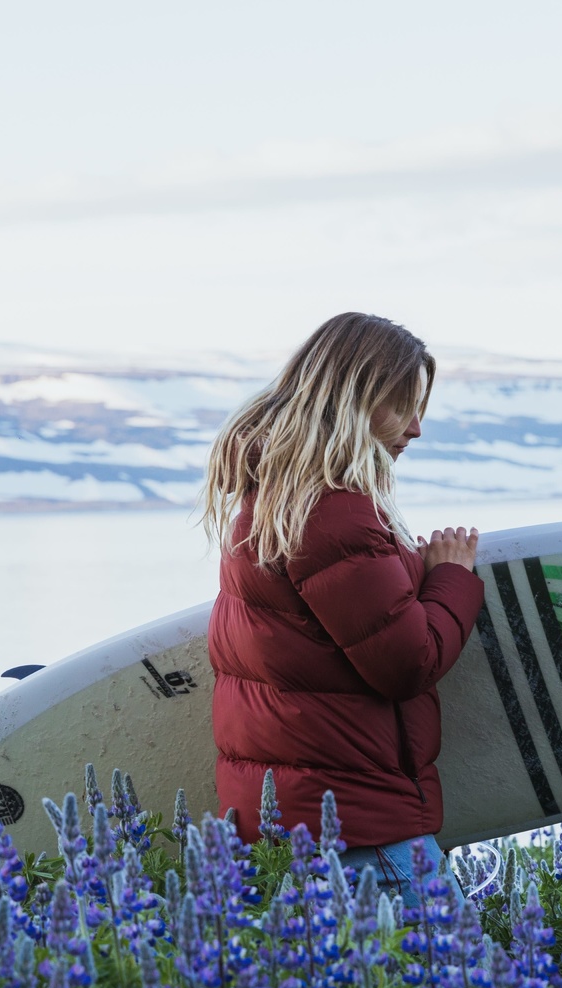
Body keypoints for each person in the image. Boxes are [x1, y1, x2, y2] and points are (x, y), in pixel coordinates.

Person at [200, 312, 480, 907]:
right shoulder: (333, 512)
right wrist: (452, 577)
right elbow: (406, 663)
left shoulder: (272, 501)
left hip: (294, 831)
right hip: (363, 836)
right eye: (403, 406)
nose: (417, 428)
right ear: (357, 399)